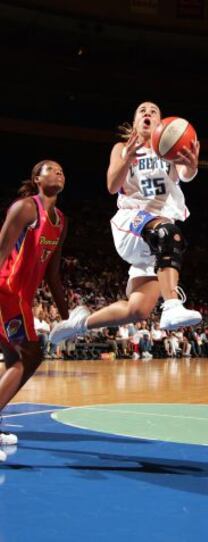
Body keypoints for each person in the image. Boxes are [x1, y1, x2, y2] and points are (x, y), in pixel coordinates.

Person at [50, 101, 202, 345]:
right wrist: (126, 158)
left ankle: (79, 323)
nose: (148, 113)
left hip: (155, 235)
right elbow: (111, 186)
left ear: (161, 124)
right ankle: (173, 304)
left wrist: (192, 165)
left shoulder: (168, 150)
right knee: (168, 234)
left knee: (138, 310)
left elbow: (186, 175)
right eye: (142, 111)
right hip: (133, 221)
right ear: (134, 123)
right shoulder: (122, 148)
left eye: (153, 111)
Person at [0, 160, 68, 460]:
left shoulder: (61, 221)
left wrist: (68, 316)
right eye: (51, 169)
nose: (58, 172)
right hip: (5, 291)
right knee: (30, 354)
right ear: (36, 178)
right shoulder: (26, 208)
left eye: (62, 170)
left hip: (21, 299)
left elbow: (53, 275)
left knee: (18, 358)